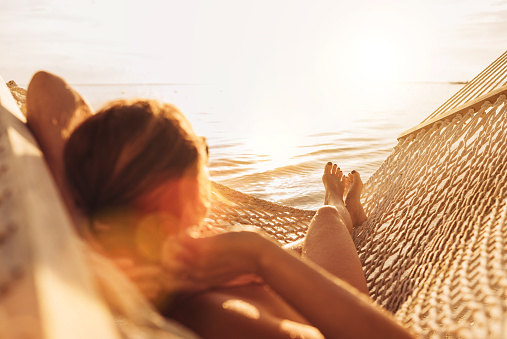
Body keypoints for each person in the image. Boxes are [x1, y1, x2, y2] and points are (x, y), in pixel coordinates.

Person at [26, 71, 414, 339]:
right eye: (202, 152)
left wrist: (81, 209)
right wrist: (258, 253)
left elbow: (45, 87)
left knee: (302, 241)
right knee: (326, 218)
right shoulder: (214, 312)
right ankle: (338, 201)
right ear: (186, 193)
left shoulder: (124, 248)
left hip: (255, 267)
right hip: (322, 301)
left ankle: (338, 207)